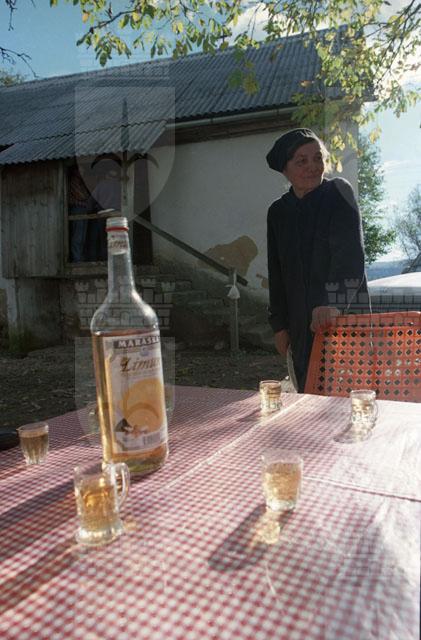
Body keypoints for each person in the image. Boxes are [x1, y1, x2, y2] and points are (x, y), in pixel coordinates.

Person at [266, 128, 369, 392]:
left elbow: (349, 255)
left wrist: (332, 304)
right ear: (285, 170)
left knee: (348, 397)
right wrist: (279, 325)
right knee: (308, 396)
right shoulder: (278, 212)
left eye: (317, 158)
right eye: (301, 161)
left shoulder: (337, 193)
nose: (312, 166)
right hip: (300, 326)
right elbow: (276, 272)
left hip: (341, 318)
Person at [86, 167, 121, 261]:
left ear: (106, 176)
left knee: (104, 239)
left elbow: (91, 201)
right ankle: (115, 259)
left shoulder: (101, 185)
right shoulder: (120, 185)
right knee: (116, 238)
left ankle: (105, 260)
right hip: (116, 215)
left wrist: (89, 210)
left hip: (103, 215)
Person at [69, 166, 90, 262]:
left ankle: (80, 258)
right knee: (78, 235)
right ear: (76, 171)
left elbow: (87, 195)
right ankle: (76, 259)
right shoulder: (73, 181)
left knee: (82, 235)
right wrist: (87, 198)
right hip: (77, 209)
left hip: (83, 209)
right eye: (81, 169)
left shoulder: (82, 182)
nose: (83, 171)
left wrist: (87, 198)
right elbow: (82, 196)